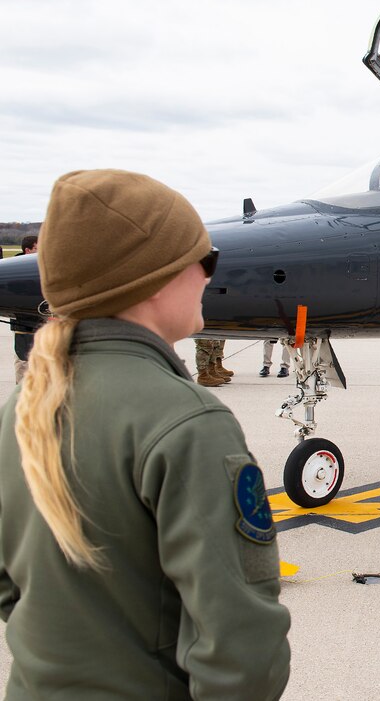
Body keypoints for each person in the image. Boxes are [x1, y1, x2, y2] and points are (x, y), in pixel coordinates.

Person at [0, 169, 291, 698]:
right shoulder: (188, 422)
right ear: (152, 280)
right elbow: (243, 647)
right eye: (204, 261)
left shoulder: (21, 408)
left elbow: (8, 589)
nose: (209, 277)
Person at [11, 235, 42, 383]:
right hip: (24, 325)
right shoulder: (17, 272)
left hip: (40, 324)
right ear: (28, 250)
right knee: (24, 362)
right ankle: (21, 396)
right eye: (37, 248)